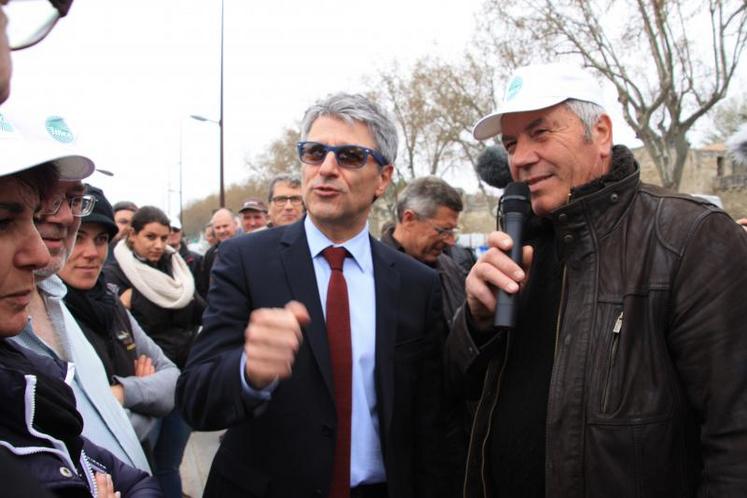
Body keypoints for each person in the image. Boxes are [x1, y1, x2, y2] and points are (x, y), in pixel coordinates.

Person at [446, 62, 747, 497]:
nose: (521, 157)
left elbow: (736, 435)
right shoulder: (517, 243)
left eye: (541, 132)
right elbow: (458, 390)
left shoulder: (689, 237)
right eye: (511, 143)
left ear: (601, 132)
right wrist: (475, 322)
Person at [177, 93, 446, 498]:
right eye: (315, 153)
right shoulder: (244, 261)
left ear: (384, 178)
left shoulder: (415, 283)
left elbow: (431, 418)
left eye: (350, 156)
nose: (327, 169)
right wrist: (248, 371)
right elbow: (194, 398)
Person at [0, 153, 160, 497]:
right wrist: (139, 397)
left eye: (74, 199)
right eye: (49, 199)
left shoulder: (71, 300)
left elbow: (128, 473)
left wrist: (130, 394)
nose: (63, 216)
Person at [59, 184, 179, 444]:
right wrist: (147, 401)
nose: (91, 253)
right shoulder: (43, 315)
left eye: (100, 239)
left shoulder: (111, 303)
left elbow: (172, 380)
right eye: (77, 237)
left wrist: (124, 392)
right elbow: (87, 434)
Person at [105, 205, 204, 498]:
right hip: (147, 383)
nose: (159, 245)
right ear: (132, 235)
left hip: (183, 381)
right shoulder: (115, 274)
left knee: (168, 465)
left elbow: (200, 311)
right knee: (144, 467)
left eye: (163, 237)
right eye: (150, 237)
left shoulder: (177, 271)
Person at [380, 175, 466, 324]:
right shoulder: (374, 271)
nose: (451, 242)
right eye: (443, 231)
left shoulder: (451, 268)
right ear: (409, 219)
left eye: (452, 231)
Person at [196, 207, 238, 297]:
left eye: (225, 226)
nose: (222, 231)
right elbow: (206, 286)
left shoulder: (246, 248)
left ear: (235, 224)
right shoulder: (210, 255)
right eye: (218, 228)